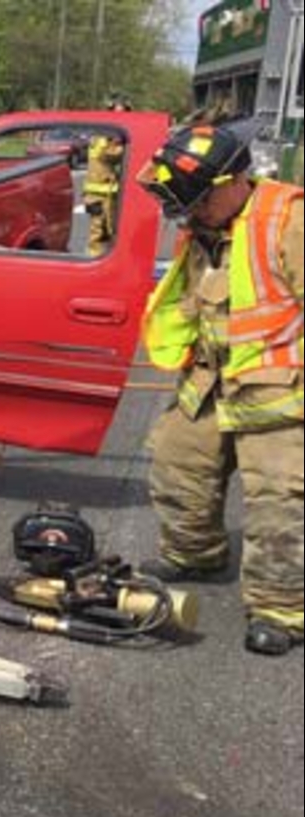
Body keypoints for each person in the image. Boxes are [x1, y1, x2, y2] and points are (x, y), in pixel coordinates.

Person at [134, 122, 303, 656]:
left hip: (277, 389)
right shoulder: (209, 223)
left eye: (200, 200)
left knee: (280, 499)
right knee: (176, 462)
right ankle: (194, 554)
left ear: (234, 182)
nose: (191, 213)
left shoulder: (288, 220)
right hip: (210, 376)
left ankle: (279, 608)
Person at [83, 98, 130, 257]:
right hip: (99, 196)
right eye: (118, 114)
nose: (121, 119)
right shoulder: (103, 137)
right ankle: (94, 266)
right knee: (99, 234)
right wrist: (126, 144)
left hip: (104, 195)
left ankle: (103, 261)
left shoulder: (106, 135)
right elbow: (110, 155)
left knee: (108, 233)